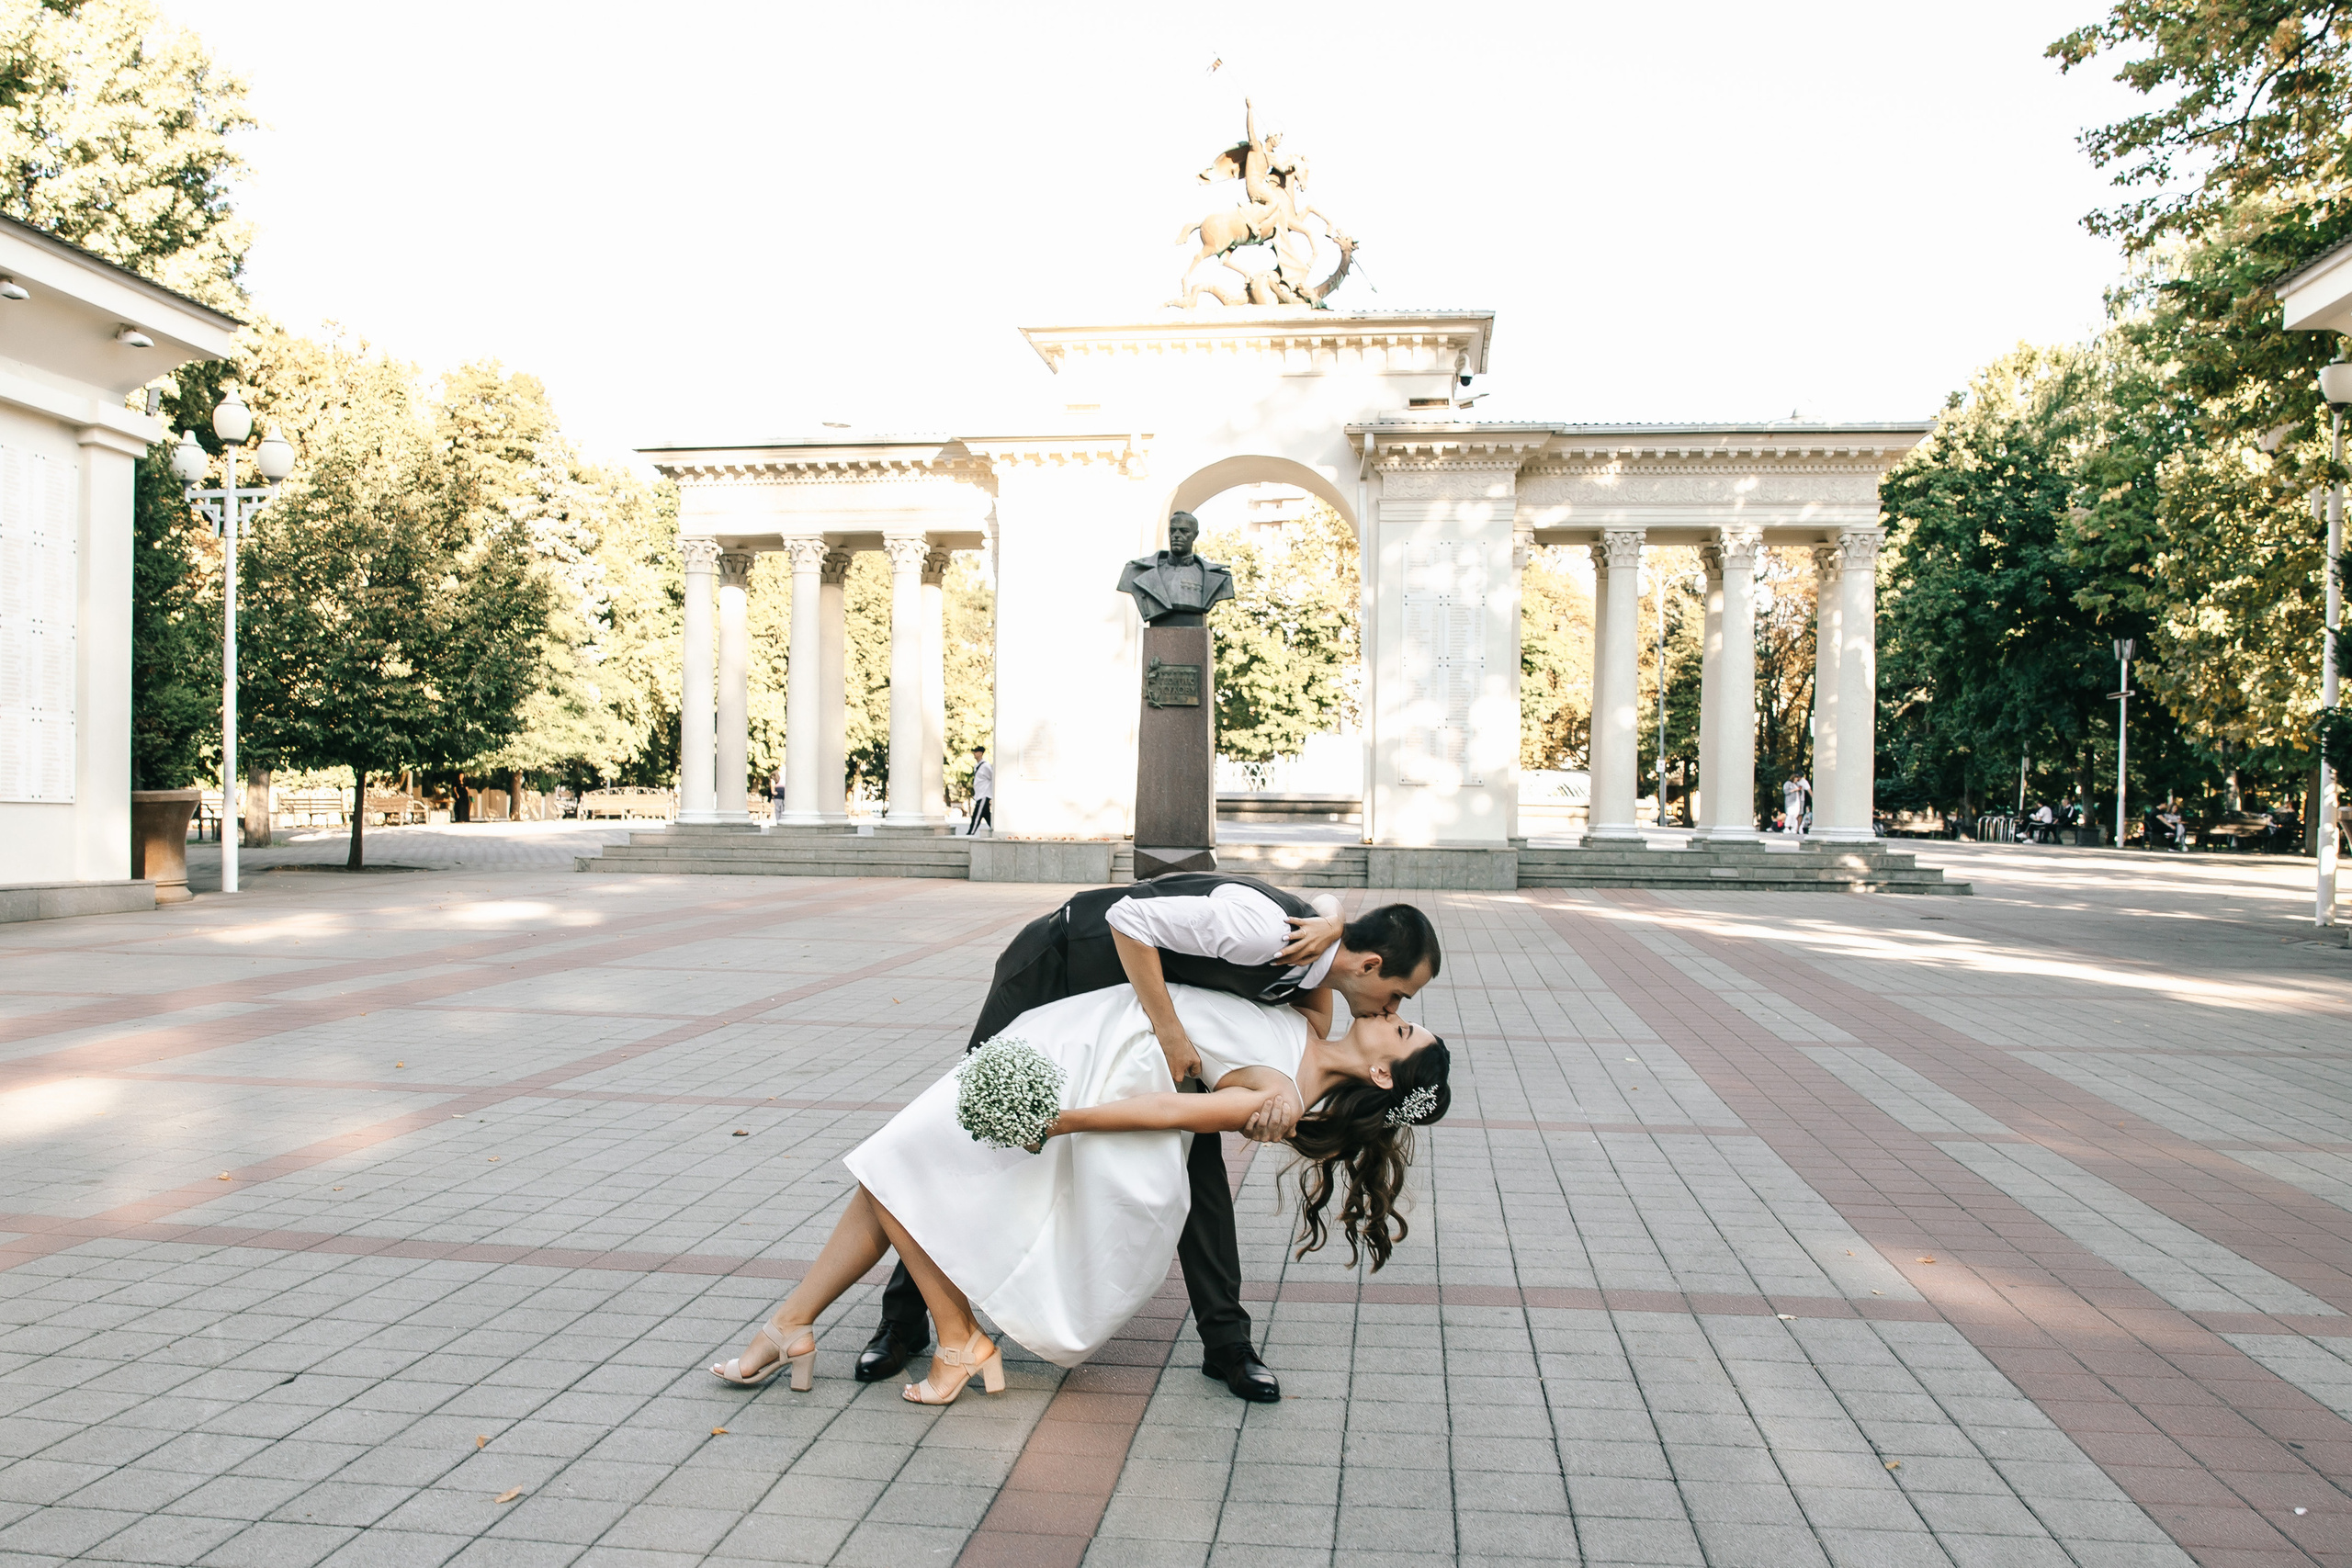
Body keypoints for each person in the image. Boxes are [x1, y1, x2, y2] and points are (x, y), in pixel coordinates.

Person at [708, 982, 1450, 1404]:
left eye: (1403, 1026)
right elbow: (1323, 940)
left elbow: (1163, 1111)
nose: (1394, 1008)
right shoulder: (1314, 1020)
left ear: (1385, 1074)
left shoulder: (1277, 1093)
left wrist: (1055, 1121)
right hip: (1081, 1027)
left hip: (1085, 1067)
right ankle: (807, 1325)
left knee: (900, 1159)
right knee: (898, 1165)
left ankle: (931, 1336)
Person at [861, 876, 1441, 1403]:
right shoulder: (1277, 937)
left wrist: (1332, 920)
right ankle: (904, 1321)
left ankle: (1227, 1342)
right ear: (1368, 965)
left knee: (1200, 1174)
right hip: (1059, 971)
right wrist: (1171, 1034)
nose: (1393, 1009)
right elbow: (1129, 917)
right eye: (1400, 998)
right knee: (958, 1139)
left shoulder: (1312, 975)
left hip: (1145, 1033)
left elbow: (1319, 913)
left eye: (1401, 1014)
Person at [965, 747, 993, 835]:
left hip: (984, 795)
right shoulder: (976, 766)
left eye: (976, 752)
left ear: (981, 753)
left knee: (976, 816)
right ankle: (996, 828)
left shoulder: (986, 766)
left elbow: (992, 777)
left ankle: (970, 833)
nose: (974, 753)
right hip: (979, 795)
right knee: (987, 816)